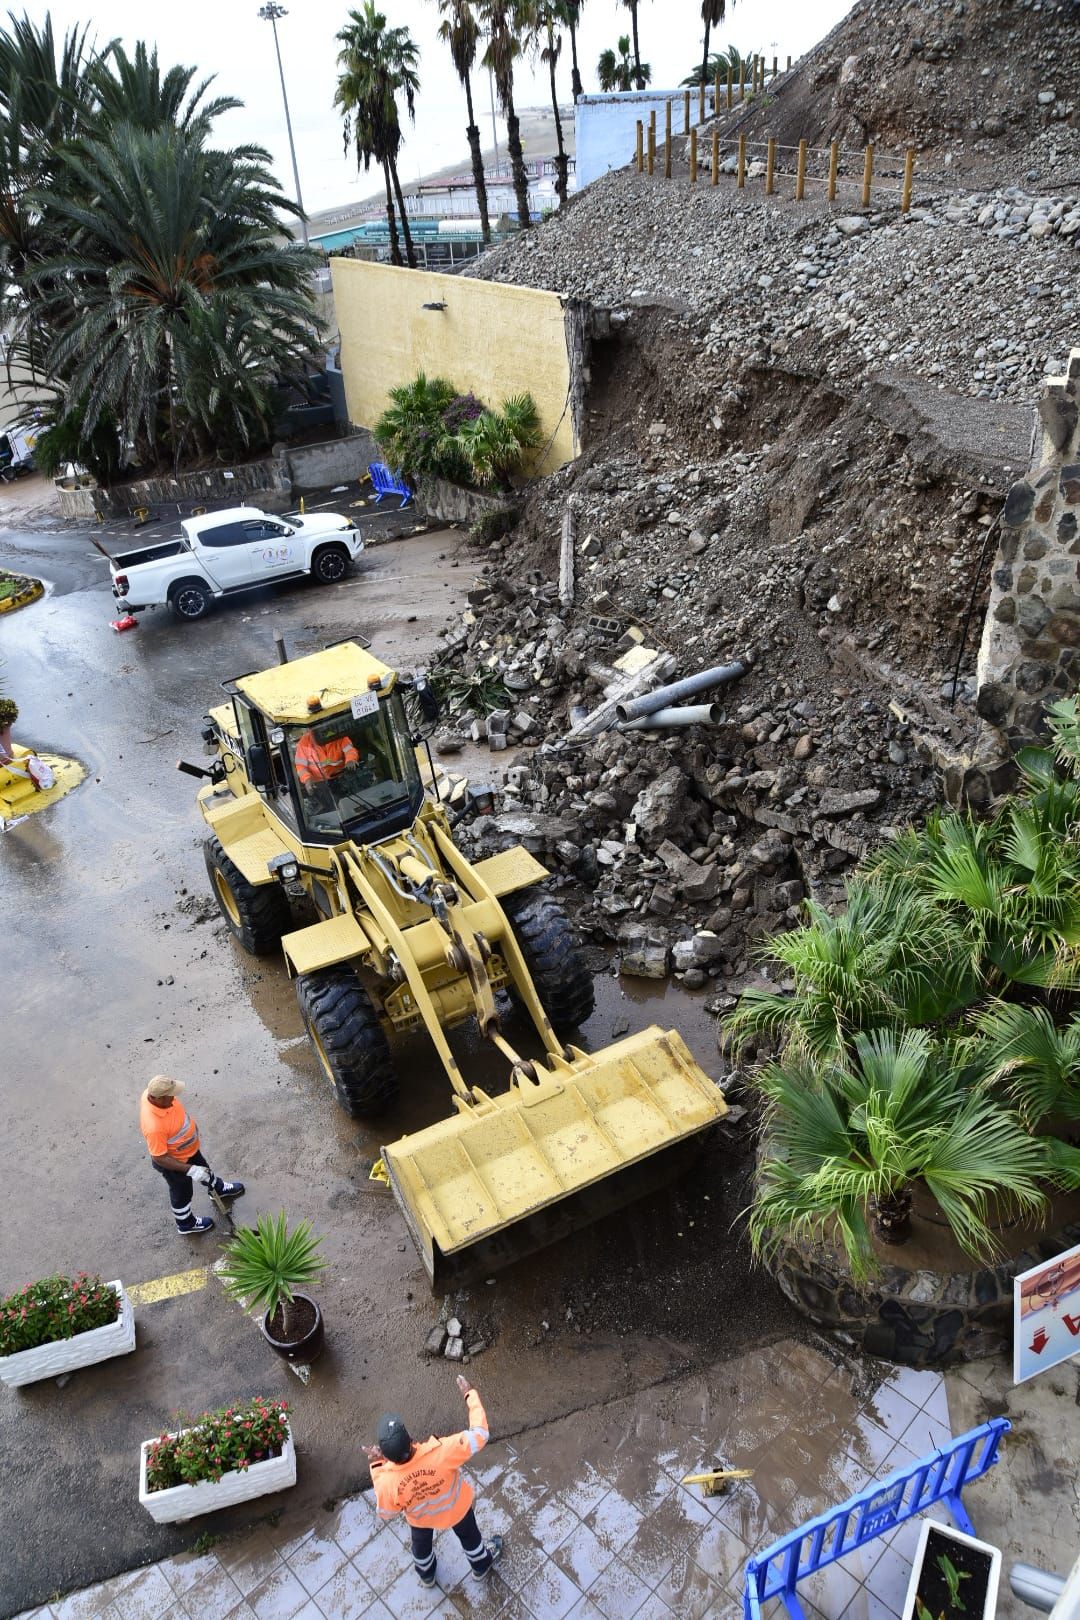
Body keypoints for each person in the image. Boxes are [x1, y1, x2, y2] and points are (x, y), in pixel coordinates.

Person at [365, 1374, 503, 1589]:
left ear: (387, 1456)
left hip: (421, 1520)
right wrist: (470, 1394)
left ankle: (427, 1576)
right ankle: (480, 1566)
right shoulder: (443, 1451)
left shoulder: (388, 1480)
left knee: (421, 1548)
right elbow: (481, 1434)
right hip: (457, 1510)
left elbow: (386, 1512)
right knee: (471, 1538)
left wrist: (377, 1466)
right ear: (410, 1440)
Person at [139, 1074, 244, 1236]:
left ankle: (218, 1189)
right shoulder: (154, 1126)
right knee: (182, 1192)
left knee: (206, 1170)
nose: (174, 1098)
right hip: (173, 1163)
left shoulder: (152, 1094)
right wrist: (190, 1170)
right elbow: (159, 1157)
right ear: (158, 1099)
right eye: (170, 1095)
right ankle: (185, 1224)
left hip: (189, 1150)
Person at [294, 726, 361, 797]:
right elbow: (301, 766)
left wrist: (350, 760)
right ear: (310, 730)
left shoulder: (337, 736)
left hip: (343, 775)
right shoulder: (303, 744)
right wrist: (307, 779)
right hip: (319, 784)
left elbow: (349, 750)